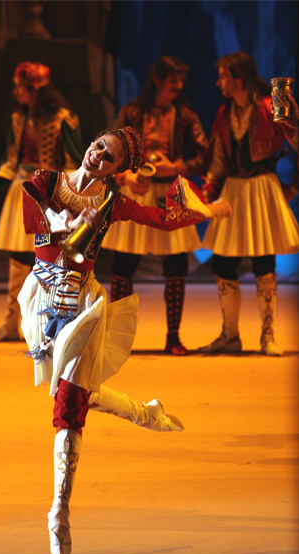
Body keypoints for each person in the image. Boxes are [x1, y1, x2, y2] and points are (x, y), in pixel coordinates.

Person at [18, 126, 232, 554]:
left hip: (83, 305)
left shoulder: (113, 203)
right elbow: (33, 230)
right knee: (82, 394)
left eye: (110, 157)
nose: (98, 156)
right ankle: (142, 412)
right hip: (41, 299)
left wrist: (208, 209)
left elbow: (162, 219)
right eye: (99, 146)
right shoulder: (47, 181)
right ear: (91, 143)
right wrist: (67, 226)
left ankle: (59, 509)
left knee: (69, 404)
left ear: (118, 170)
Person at [0, 61, 83, 342]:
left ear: (34, 89)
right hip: (23, 191)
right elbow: (10, 161)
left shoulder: (64, 119)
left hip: (50, 194)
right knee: (18, 258)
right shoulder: (19, 119)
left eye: (19, 86)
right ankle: (11, 321)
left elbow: (73, 162)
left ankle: (53, 324)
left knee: (51, 259)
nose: (15, 91)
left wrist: (64, 195)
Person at [102, 57, 209, 355]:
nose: (178, 85)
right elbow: (109, 152)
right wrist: (125, 177)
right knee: (124, 265)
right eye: (173, 79)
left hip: (171, 194)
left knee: (176, 265)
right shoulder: (131, 113)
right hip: (137, 192)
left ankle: (173, 337)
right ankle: (116, 338)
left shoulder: (185, 116)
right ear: (158, 80)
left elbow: (205, 154)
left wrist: (178, 166)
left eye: (180, 79)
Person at [198, 52, 299, 356]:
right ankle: (230, 335)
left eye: (223, 76)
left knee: (263, 261)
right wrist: (208, 193)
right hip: (233, 190)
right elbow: (217, 161)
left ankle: (267, 334)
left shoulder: (270, 108)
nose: (219, 82)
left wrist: (294, 187)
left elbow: (298, 143)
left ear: (238, 79)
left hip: (262, 188)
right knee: (223, 261)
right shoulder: (223, 113)